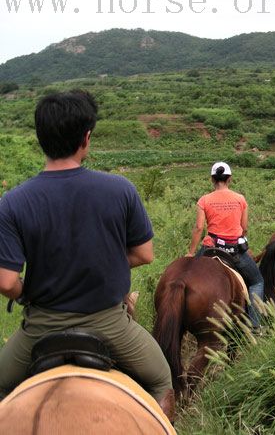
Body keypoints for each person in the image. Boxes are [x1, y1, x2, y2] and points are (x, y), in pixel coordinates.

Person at [0, 91, 174, 420]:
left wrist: (29, 294)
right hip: (109, 324)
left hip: (41, 326)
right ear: (86, 138)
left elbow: (7, 282)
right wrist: (104, 260)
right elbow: (145, 253)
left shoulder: (13, 202)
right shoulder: (120, 189)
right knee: (161, 380)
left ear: (40, 139)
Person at [187, 162, 264, 329]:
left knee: (188, 277)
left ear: (212, 179)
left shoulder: (204, 200)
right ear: (229, 179)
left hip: (210, 248)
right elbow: (244, 228)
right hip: (234, 251)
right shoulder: (240, 199)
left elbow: (199, 227)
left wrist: (191, 253)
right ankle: (254, 326)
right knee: (257, 282)